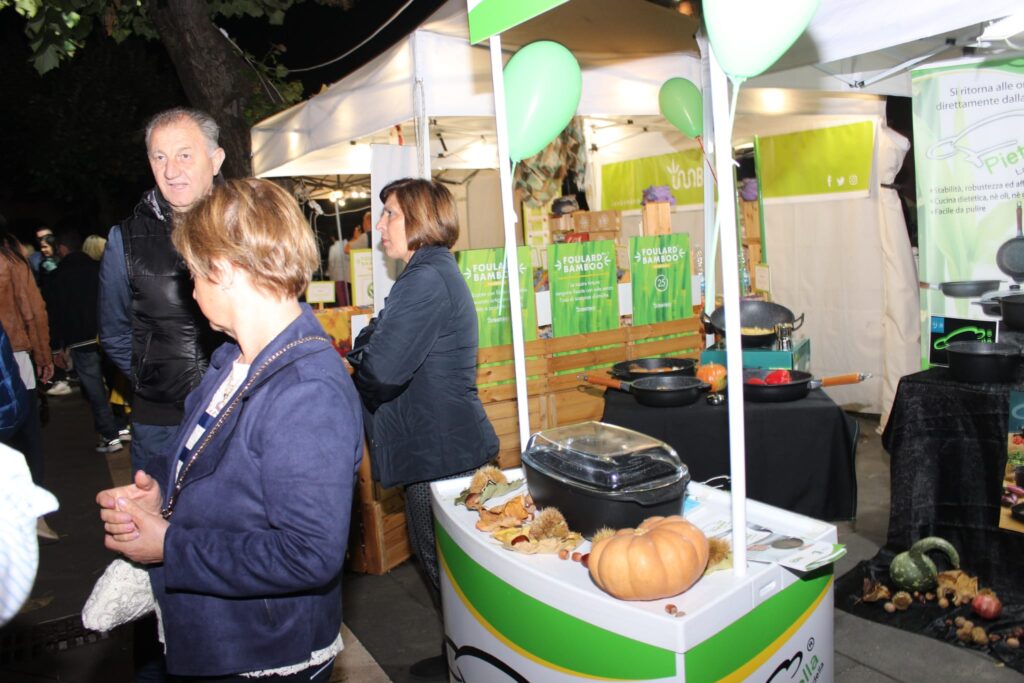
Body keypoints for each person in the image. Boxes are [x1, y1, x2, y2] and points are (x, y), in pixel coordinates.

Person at [96, 178, 363, 680]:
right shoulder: (231, 359)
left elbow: (307, 555)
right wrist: (154, 488)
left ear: (227, 270)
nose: (190, 288)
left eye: (194, 272)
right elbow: (197, 454)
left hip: (262, 652)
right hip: (221, 634)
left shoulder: (306, 392)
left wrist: (169, 545)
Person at [347, 178, 498, 679]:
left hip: (444, 457)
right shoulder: (426, 273)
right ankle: (462, 656)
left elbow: (380, 368)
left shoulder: (426, 277)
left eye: (389, 213)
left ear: (420, 218)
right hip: (441, 451)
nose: (381, 225)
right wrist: (368, 347)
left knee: (449, 574)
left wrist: (362, 356)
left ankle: (472, 666)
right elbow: (375, 340)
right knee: (447, 572)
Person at [99, 107, 226, 475]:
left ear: (215, 160)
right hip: (161, 423)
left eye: (185, 155)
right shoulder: (124, 240)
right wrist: (151, 378)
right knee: (161, 527)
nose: (172, 171)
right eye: (160, 157)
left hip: (239, 410)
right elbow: (113, 331)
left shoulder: (245, 228)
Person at [48, 223, 124, 453]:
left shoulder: (57, 277)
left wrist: (55, 348)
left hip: (79, 339)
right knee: (115, 382)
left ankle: (109, 435)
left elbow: (54, 314)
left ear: (61, 248)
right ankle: (121, 425)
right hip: (107, 334)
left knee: (94, 389)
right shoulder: (98, 268)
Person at [0, 228, 55, 539]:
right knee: (27, 438)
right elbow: (32, 310)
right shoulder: (11, 259)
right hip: (15, 357)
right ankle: (34, 518)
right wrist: (44, 355)